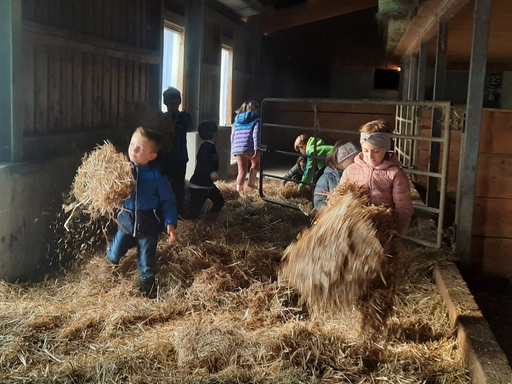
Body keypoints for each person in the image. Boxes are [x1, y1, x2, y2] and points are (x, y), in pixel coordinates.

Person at [107, 127, 177, 299]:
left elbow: (168, 201)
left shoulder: (156, 177)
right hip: (125, 223)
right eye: (132, 144)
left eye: (140, 149)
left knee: (146, 262)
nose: (133, 150)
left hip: (148, 227)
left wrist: (170, 223)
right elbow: (109, 191)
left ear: (152, 156)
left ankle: (148, 293)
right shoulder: (120, 172)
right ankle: (111, 264)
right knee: (114, 255)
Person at [339, 120, 413, 235]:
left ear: (386, 149)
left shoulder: (395, 173)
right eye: (365, 150)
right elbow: (340, 197)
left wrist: (398, 231)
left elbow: (403, 206)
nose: (370, 156)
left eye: (376, 151)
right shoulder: (351, 170)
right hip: (355, 228)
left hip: (382, 229)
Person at [161, 87, 193, 217]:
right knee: (164, 184)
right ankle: (165, 210)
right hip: (164, 157)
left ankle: (179, 210)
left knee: (178, 185)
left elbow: (183, 128)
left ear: (179, 102)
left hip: (179, 157)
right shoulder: (161, 118)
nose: (172, 105)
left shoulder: (184, 117)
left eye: (175, 102)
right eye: (169, 103)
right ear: (165, 103)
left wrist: (169, 124)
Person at [189, 121, 225, 222]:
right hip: (199, 186)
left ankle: (209, 223)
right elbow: (201, 159)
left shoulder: (209, 146)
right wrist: (211, 172)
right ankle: (199, 225)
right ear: (214, 134)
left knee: (220, 201)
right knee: (194, 212)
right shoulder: (207, 147)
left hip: (206, 185)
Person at [314, 140, 359, 212]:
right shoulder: (326, 179)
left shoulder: (358, 175)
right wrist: (332, 211)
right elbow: (318, 202)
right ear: (340, 161)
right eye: (353, 159)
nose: (357, 161)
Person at [231, 101, 260, 193]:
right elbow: (256, 135)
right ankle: (251, 182)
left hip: (237, 148)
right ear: (257, 110)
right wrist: (256, 149)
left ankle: (238, 192)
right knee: (257, 162)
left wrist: (234, 148)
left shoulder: (237, 121)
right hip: (249, 148)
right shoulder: (256, 120)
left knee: (242, 170)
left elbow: (232, 136)